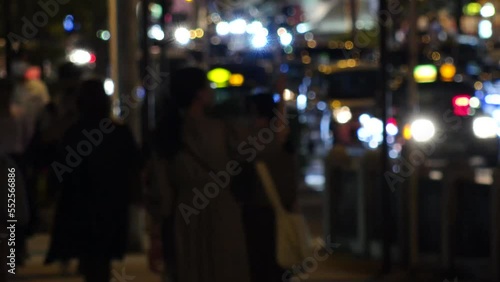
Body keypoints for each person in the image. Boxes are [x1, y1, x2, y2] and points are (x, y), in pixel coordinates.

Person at [147, 67, 250, 282]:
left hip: (185, 216)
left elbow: (162, 191)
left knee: (191, 270)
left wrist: (157, 233)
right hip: (223, 211)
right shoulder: (223, 128)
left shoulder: (167, 132)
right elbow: (250, 154)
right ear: (198, 94)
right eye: (208, 87)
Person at [45, 79, 143, 282]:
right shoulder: (118, 132)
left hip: (80, 206)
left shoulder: (73, 132)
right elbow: (133, 164)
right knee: (102, 259)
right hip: (111, 205)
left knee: (90, 258)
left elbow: (59, 168)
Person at [241, 93, 299, 282]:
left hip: (260, 211)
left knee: (260, 265)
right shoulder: (282, 143)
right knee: (279, 267)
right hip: (280, 210)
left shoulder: (257, 143)